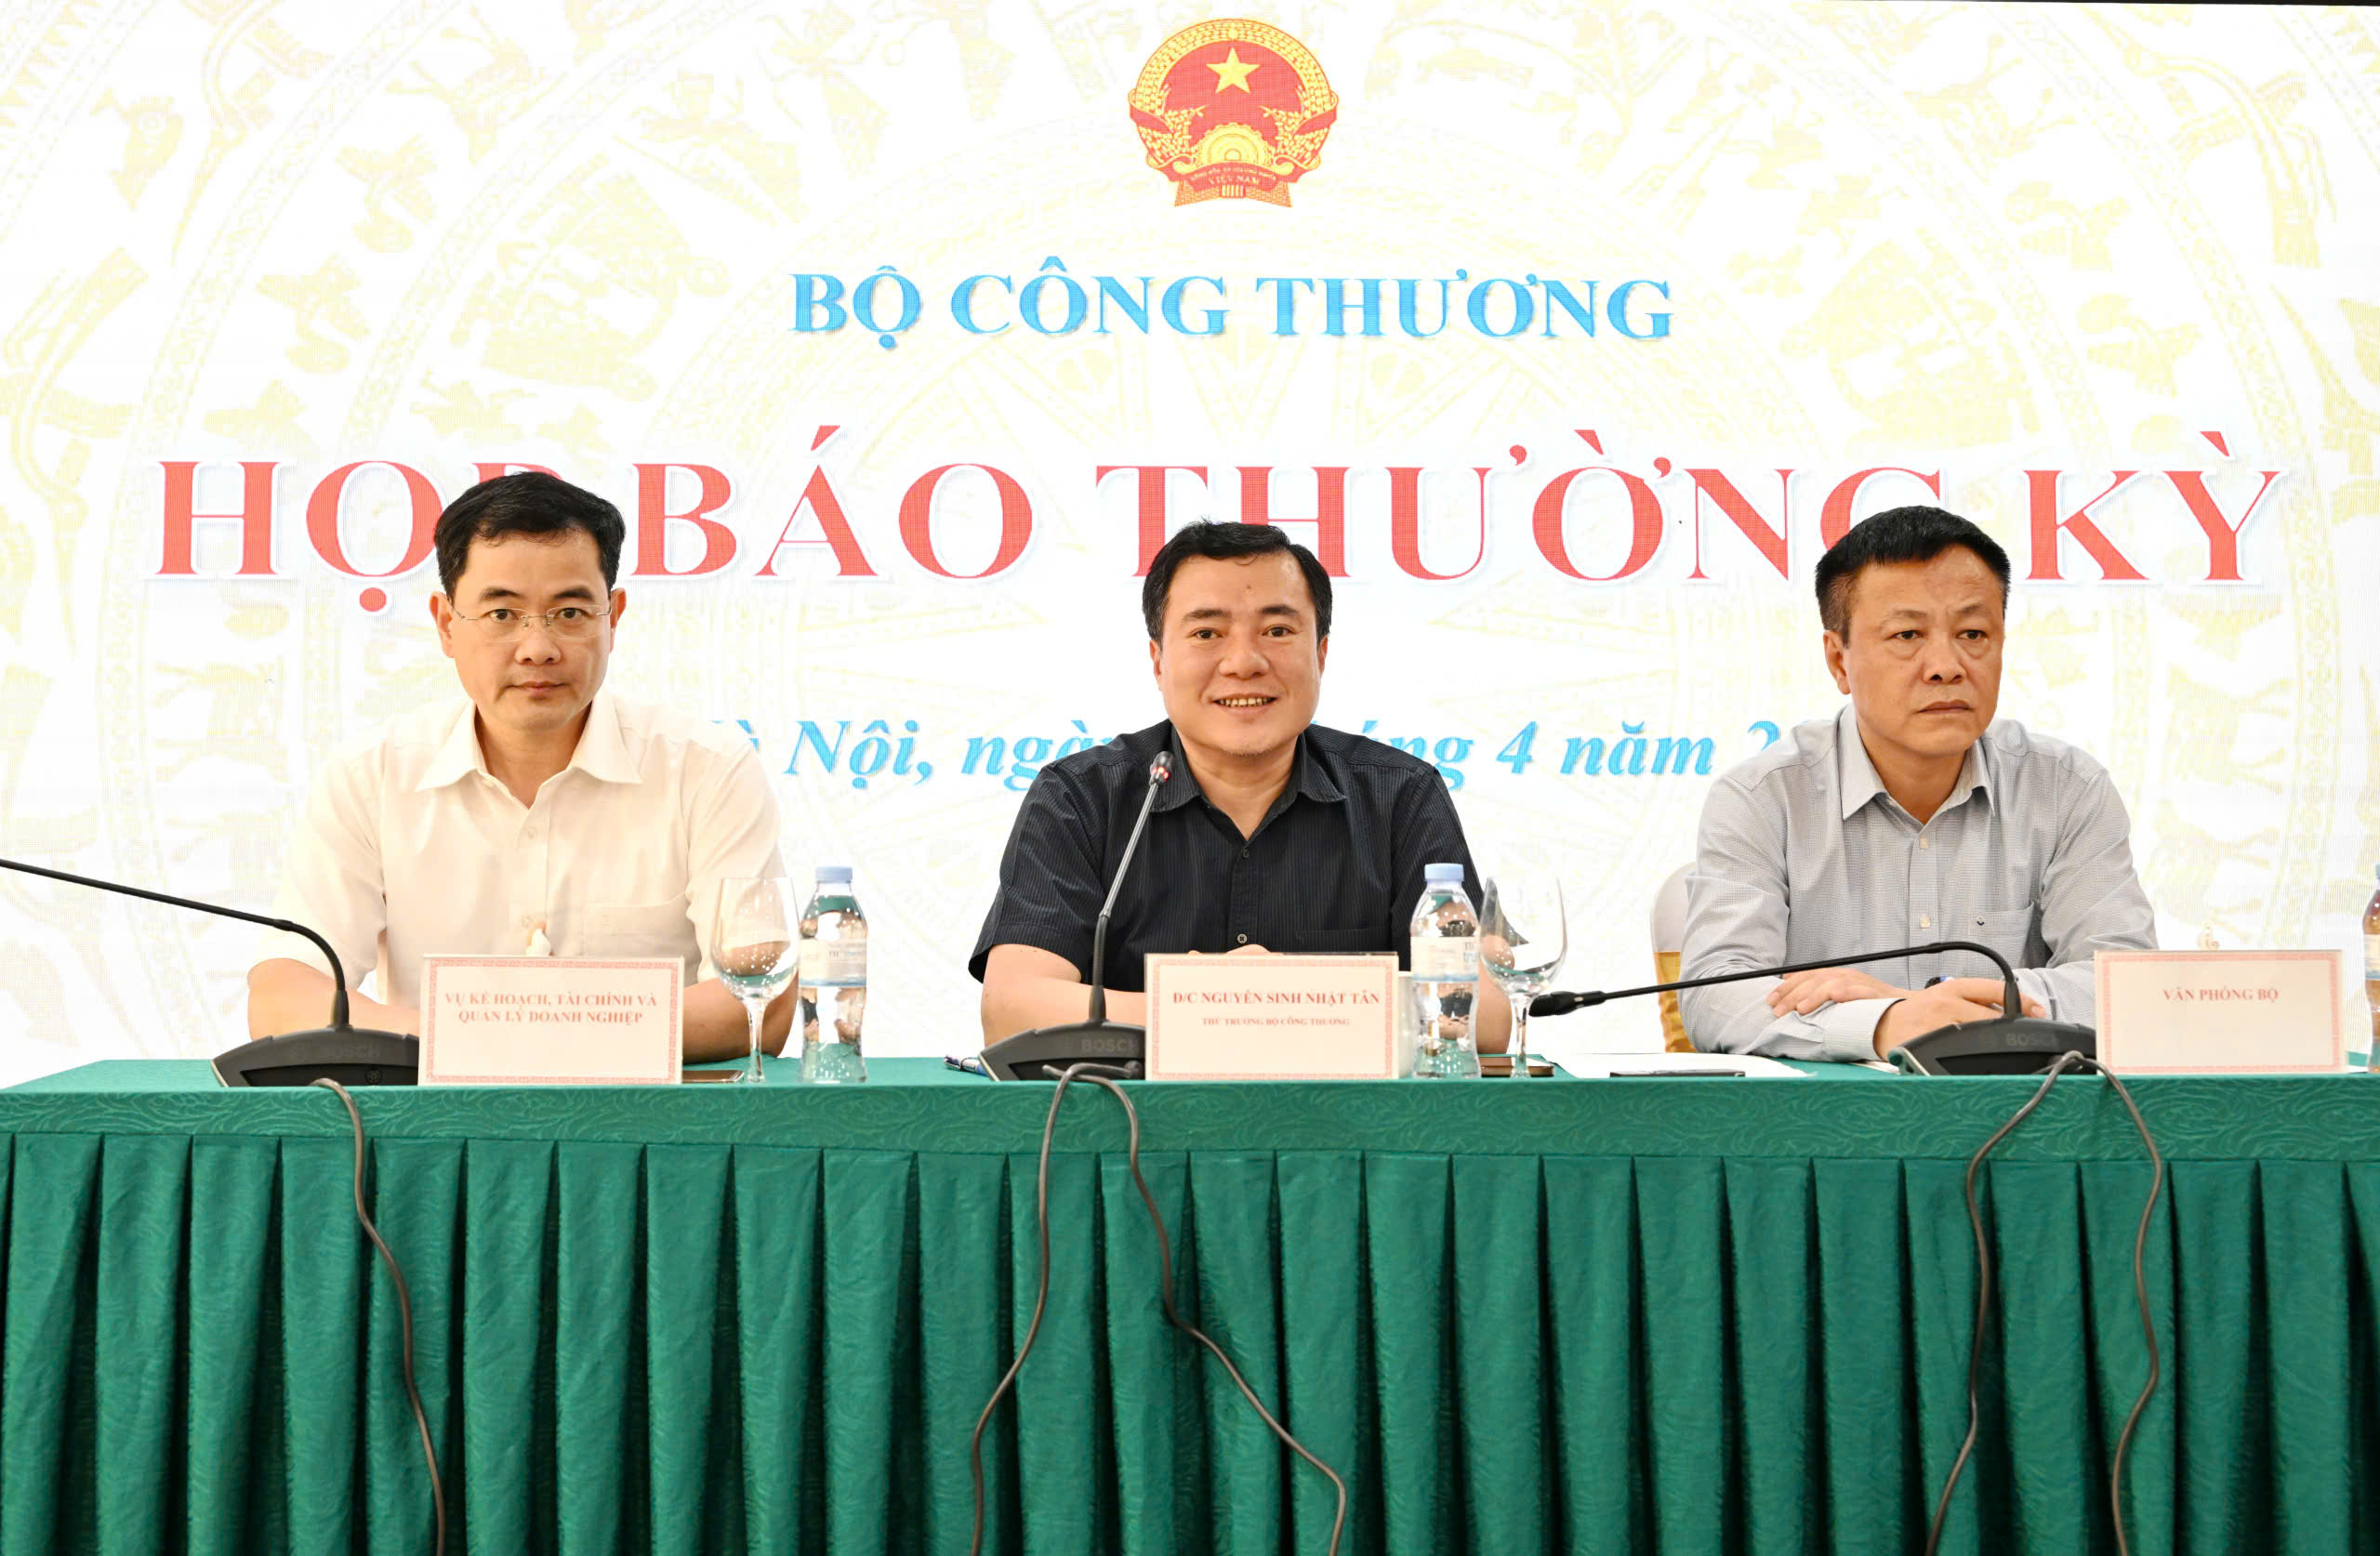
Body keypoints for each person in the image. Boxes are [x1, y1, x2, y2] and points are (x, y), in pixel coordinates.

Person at [246, 471, 793, 1062]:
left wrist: (496, 1037)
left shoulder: (707, 770)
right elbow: (285, 997)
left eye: (570, 612)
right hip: (438, 1118)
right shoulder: (371, 777)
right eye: (502, 614)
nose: (538, 648)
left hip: (645, 1114)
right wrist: (518, 1038)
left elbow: (760, 1000)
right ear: (446, 624)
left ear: (613, 618)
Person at [972, 521, 1511, 1048]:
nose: (1244, 663)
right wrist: (1213, 1002)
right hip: (1135, 1110)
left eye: (1277, 631)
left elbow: (1484, 1016)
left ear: (1321, 654)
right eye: (1207, 633)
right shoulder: (1080, 797)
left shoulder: (1400, 795)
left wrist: (1273, 998)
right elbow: (1013, 1011)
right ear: (1158, 661)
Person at [1681, 505, 2155, 1062]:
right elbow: (1715, 994)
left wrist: (1925, 1005)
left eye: (1973, 633)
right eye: (1907, 634)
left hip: (2019, 1109)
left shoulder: (2066, 789)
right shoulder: (1763, 797)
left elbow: (2128, 988)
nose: (1946, 666)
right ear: (1838, 660)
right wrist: (1884, 1023)